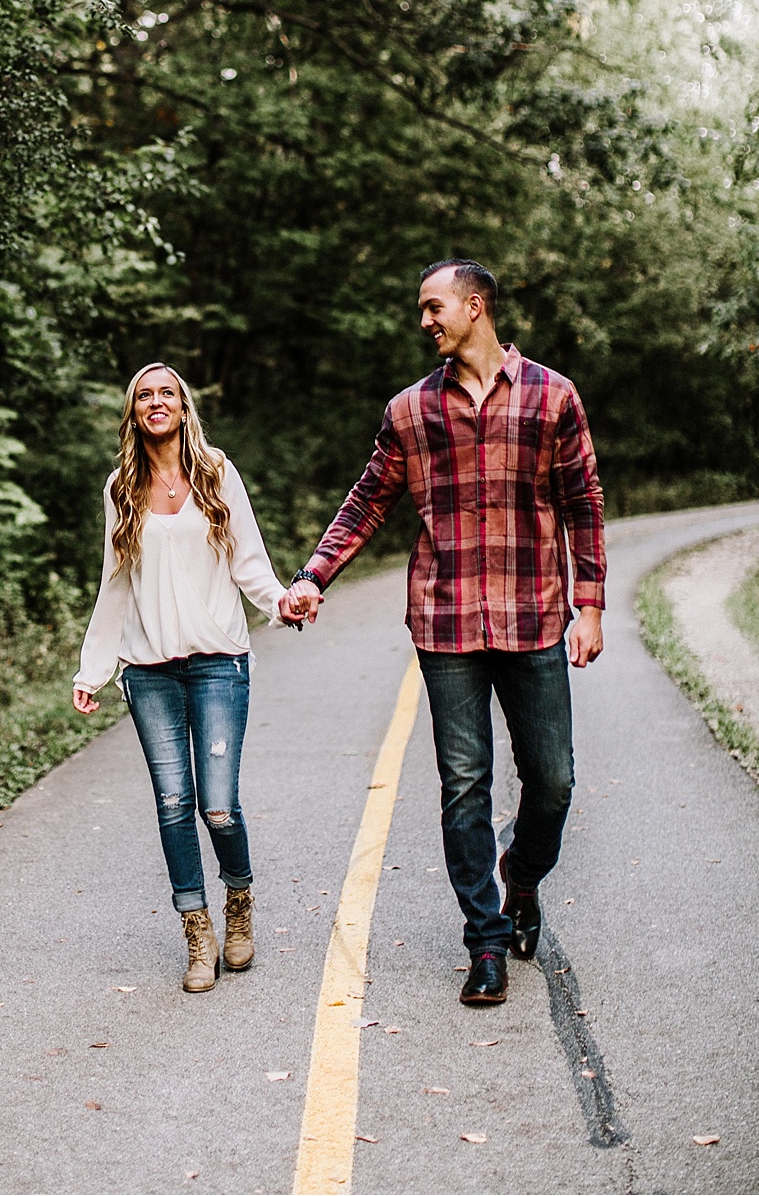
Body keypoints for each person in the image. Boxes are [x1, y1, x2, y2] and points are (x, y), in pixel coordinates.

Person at [285, 261, 605, 1006]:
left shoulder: (553, 396)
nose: (424, 321)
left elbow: (583, 501)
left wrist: (589, 604)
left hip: (533, 618)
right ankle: (485, 943)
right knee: (464, 785)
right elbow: (368, 499)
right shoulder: (410, 412)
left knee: (552, 781)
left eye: (433, 307)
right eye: (420, 310)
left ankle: (520, 880)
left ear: (474, 305)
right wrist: (312, 575)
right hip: (447, 621)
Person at [73, 362, 299, 992]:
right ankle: (197, 934)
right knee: (173, 804)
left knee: (218, 805)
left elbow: (249, 561)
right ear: (133, 411)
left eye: (165, 393)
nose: (155, 403)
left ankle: (238, 900)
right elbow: (113, 585)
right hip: (149, 673)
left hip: (218, 663)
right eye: (144, 396)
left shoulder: (216, 473)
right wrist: (95, 667)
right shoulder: (121, 487)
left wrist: (281, 601)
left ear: (183, 405)